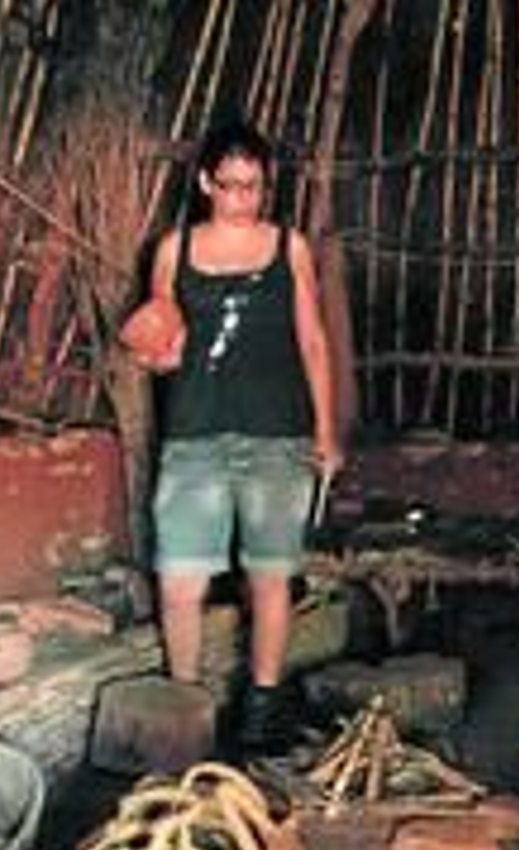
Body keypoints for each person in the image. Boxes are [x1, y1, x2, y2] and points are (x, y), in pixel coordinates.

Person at [133, 121, 344, 753]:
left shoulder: (290, 248)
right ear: (205, 184)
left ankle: (258, 708)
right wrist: (158, 353)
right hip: (195, 434)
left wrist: (326, 430)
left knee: (270, 577)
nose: (242, 201)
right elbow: (161, 332)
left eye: (253, 188)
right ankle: (185, 707)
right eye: (229, 187)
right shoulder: (174, 249)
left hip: (278, 436)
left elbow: (312, 340)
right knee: (179, 580)